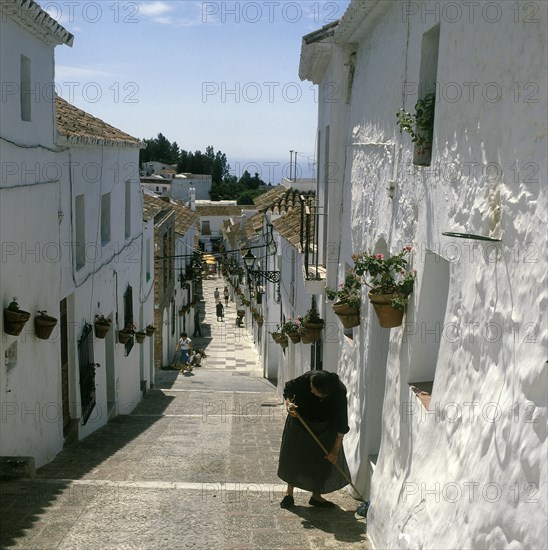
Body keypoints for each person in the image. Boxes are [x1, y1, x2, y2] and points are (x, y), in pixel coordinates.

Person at [278, 370, 350, 509]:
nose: (311, 391)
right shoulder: (310, 378)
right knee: (294, 456)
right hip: (300, 420)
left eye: (314, 391)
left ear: (325, 394)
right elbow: (289, 387)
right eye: (311, 387)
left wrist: (335, 450)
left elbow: (342, 422)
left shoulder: (339, 393)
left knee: (321, 460)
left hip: (326, 427)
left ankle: (316, 496)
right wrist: (288, 404)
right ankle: (289, 494)